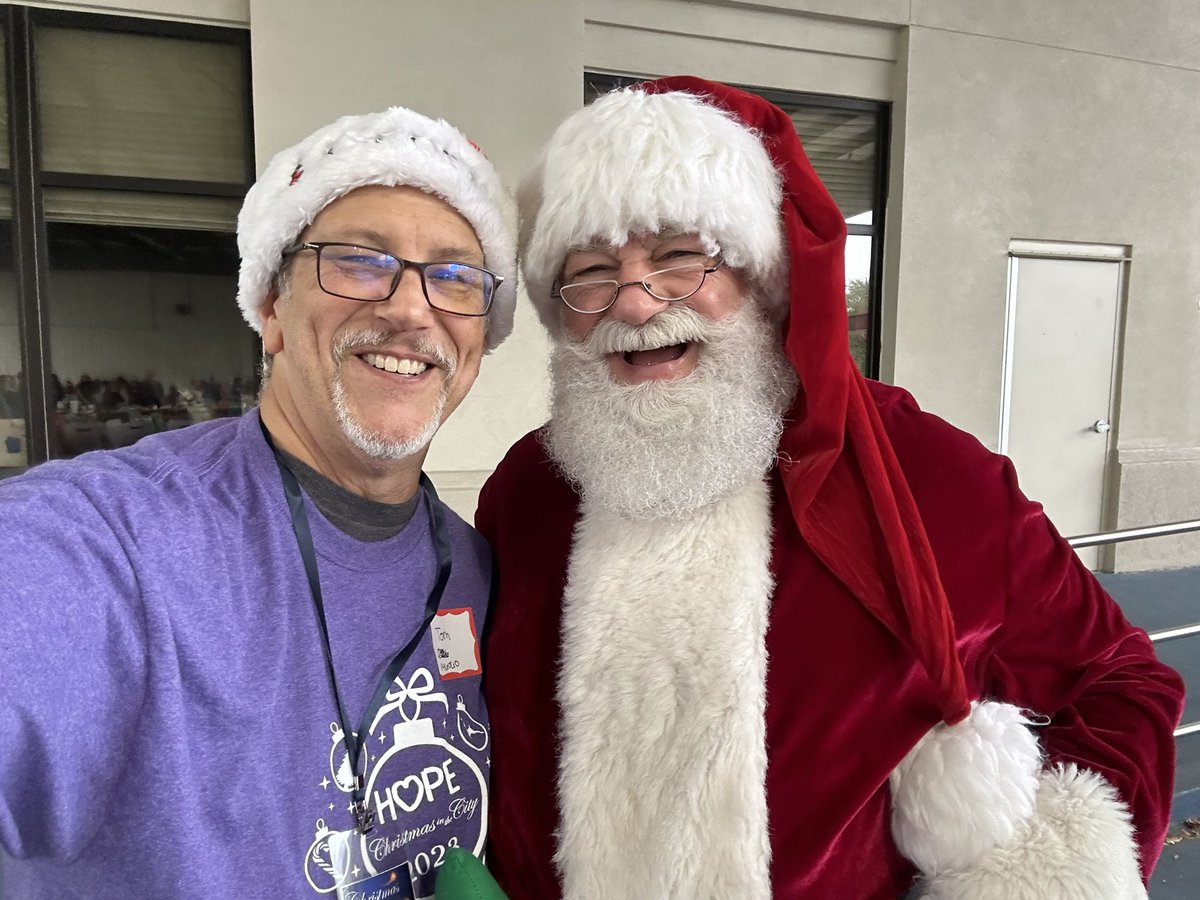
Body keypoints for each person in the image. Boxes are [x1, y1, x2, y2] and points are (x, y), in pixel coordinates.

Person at [476, 76, 1185, 899]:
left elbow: (1121, 678)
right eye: (592, 272)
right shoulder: (529, 491)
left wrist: (1044, 875)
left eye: (679, 257)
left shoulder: (924, 475)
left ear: (759, 277)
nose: (635, 303)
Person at [0, 104, 515, 899]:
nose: (412, 309)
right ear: (270, 309)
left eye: (454, 277)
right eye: (358, 260)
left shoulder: (474, 567)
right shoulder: (116, 545)